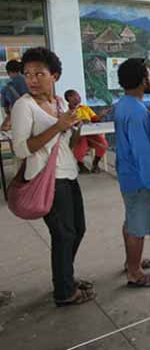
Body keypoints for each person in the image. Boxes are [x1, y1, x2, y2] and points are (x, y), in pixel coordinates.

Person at [11, 47, 95, 306]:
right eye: (27, 74)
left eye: (39, 73)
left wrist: (73, 127)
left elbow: (67, 142)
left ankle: (65, 277)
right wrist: (57, 127)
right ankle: (64, 291)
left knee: (78, 230)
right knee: (63, 234)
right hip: (46, 178)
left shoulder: (58, 104)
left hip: (68, 174)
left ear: (55, 76)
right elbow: (21, 148)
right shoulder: (23, 106)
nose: (32, 80)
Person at [114, 58, 150, 288]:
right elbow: (142, 153)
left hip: (128, 175)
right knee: (137, 227)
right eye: (148, 75)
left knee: (131, 221)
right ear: (141, 80)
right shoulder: (137, 113)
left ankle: (132, 262)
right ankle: (135, 273)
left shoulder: (125, 104)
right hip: (139, 179)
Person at [64, 89, 110, 174]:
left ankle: (95, 164)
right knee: (82, 147)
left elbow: (94, 119)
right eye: (77, 95)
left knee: (103, 144)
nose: (79, 97)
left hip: (90, 132)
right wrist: (79, 122)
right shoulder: (66, 110)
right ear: (69, 98)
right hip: (78, 134)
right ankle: (81, 166)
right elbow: (68, 124)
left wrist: (101, 115)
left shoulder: (85, 108)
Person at [1, 60, 29, 131]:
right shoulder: (31, 82)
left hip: (17, 119)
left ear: (8, 72)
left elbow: (6, 110)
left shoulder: (6, 88)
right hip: (32, 117)